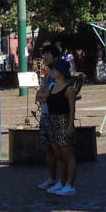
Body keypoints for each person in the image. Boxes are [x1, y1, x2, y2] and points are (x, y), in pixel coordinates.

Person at [45, 58, 77, 196]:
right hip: (53, 121)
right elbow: (43, 97)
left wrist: (70, 125)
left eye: (54, 69)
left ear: (62, 72)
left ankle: (70, 184)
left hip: (63, 121)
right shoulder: (52, 86)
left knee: (67, 154)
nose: (52, 72)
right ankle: (62, 181)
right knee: (58, 154)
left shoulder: (69, 89)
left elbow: (72, 109)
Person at [34, 43, 62, 190]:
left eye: (48, 54)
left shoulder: (59, 74)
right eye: (44, 54)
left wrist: (43, 96)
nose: (45, 57)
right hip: (45, 114)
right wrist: (42, 96)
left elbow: (48, 96)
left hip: (55, 115)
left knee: (58, 149)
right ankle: (52, 177)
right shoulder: (47, 75)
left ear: (55, 57)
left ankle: (62, 180)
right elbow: (40, 94)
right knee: (49, 149)